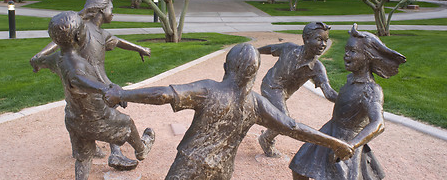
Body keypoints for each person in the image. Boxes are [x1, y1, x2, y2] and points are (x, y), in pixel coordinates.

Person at [105, 43, 354, 180]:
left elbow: (163, 94)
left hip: (190, 165)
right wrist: (334, 142)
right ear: (255, 73)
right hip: (222, 171)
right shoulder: (257, 104)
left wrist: (122, 94)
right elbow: (294, 128)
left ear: (226, 66)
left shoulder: (208, 89)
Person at [31, 0, 150, 170]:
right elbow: (59, 40)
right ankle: (117, 153)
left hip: (95, 79)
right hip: (90, 78)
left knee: (87, 111)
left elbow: (118, 42)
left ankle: (88, 148)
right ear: (101, 10)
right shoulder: (83, 29)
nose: (113, 13)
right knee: (108, 115)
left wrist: (139, 48)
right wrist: (41, 54)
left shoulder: (101, 33)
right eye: (111, 8)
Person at [290, 24, 406, 180]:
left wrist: (352, 144)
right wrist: (319, 79)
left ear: (367, 57)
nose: (346, 55)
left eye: (353, 52)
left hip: (347, 140)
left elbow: (378, 123)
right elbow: (337, 98)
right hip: (330, 132)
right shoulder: (351, 80)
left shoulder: (371, 90)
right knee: (299, 166)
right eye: (346, 50)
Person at [258, 22, 338, 157]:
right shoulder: (288, 48)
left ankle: (268, 127)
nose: (323, 44)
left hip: (283, 93)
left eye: (326, 40)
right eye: (319, 39)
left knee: (278, 118)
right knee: (285, 121)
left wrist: (347, 99)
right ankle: (266, 139)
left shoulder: (317, 68)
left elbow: (329, 92)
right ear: (306, 39)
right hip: (271, 85)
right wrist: (255, 51)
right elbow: (271, 48)